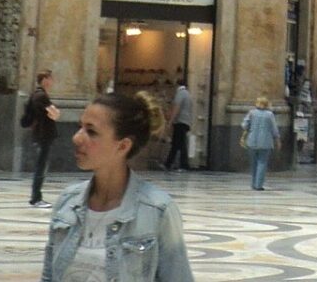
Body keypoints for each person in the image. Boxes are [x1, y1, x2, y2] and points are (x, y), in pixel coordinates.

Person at [42, 91, 192, 281]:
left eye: (91, 131)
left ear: (123, 146)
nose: (77, 138)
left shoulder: (157, 210)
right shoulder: (67, 202)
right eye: (79, 127)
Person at [25, 70, 63, 208]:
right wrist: (55, 113)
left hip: (40, 133)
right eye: (51, 78)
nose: (52, 81)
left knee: (41, 166)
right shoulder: (41, 96)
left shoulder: (36, 95)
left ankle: (36, 197)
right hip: (44, 134)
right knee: (41, 167)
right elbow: (55, 113)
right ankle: (36, 198)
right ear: (45, 79)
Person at [241, 96, 279, 192]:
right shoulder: (269, 115)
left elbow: (244, 125)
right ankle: (259, 185)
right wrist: (277, 140)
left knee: (253, 163)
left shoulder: (251, 113)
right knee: (262, 163)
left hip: (252, 141)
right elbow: (274, 129)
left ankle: (253, 183)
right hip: (265, 142)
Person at [163, 80, 194, 172]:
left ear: (177, 85)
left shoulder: (180, 94)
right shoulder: (188, 94)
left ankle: (184, 165)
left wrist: (170, 121)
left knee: (181, 144)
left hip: (180, 122)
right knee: (176, 144)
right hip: (186, 122)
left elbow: (176, 107)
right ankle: (168, 164)